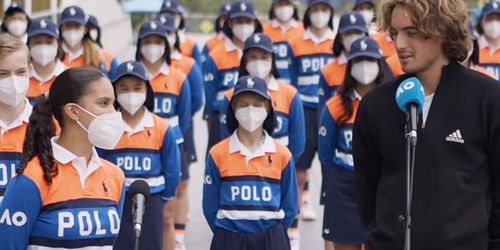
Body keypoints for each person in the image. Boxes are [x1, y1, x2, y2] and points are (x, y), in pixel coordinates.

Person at [353, 0, 500, 249]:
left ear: (441, 29)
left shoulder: (487, 99)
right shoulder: (374, 105)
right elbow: (367, 190)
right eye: (395, 33)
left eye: (411, 32)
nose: (399, 45)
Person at [0, 66, 126, 249]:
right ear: (73, 111)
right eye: (104, 103)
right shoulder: (31, 179)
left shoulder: (116, 177)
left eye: (114, 104)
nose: (114, 114)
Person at [203, 75, 299, 250]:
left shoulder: (282, 154)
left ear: (268, 108)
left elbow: (290, 206)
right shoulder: (217, 153)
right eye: (243, 104)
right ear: (233, 108)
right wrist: (226, 232)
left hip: (271, 238)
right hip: (229, 237)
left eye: (257, 104)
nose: (250, 110)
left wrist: (272, 235)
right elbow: (210, 207)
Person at [97, 61, 181, 250]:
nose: (131, 93)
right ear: (114, 92)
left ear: (147, 90)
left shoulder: (161, 127)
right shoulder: (107, 127)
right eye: (123, 88)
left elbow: (172, 169)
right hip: (116, 202)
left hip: (152, 201)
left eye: (137, 87)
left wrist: (166, 199)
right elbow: (98, 164)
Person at [319, 37, 389, 250]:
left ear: (380, 64)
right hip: (344, 187)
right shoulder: (336, 106)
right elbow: (326, 154)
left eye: (370, 60)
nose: (365, 66)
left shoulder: (391, 102)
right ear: (350, 66)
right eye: (359, 60)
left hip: (380, 186)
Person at [288, 0, 335, 241]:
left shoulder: (336, 41)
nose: (319, 15)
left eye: (324, 10)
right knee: (299, 168)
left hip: (330, 111)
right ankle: (293, 222)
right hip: (305, 109)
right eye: (315, 10)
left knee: (331, 169)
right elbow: (292, 79)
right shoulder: (296, 42)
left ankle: (331, 228)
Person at [157, 13, 204, 250]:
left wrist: (177, 129)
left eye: (167, 34)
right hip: (148, 140)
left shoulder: (185, 65)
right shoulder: (137, 74)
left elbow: (194, 101)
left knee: (181, 183)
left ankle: (178, 233)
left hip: (177, 135)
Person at [203, 0, 263, 154]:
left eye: (248, 21)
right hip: (222, 119)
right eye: (239, 21)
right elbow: (210, 97)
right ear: (230, 23)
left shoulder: (262, 55)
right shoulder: (215, 56)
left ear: (255, 23)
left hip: (255, 119)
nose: (244, 26)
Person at [0, 33, 31, 204]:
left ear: (30, 70)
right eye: (3, 74)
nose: (13, 81)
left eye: (20, 72)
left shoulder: (52, 126)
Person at [319, 11, 368, 107]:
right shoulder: (327, 71)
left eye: (357, 32)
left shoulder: (376, 66)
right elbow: (323, 109)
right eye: (348, 33)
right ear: (340, 37)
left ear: (365, 35)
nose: (353, 37)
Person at [263, 0, 304, 83]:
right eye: (280, 4)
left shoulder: (304, 29)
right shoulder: (264, 31)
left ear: (294, 6)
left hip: (297, 84)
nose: (284, 8)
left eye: (287, 4)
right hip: (272, 84)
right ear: (274, 6)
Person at [27, 18, 66, 103]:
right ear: (28, 45)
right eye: (37, 42)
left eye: (49, 42)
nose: (43, 48)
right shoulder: (20, 77)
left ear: (58, 44)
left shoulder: (68, 76)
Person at [59, 5, 106, 73]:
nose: (72, 30)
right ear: (61, 28)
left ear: (85, 29)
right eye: (68, 25)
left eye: (77, 26)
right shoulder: (54, 55)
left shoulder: (97, 55)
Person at [160, 0, 202, 68]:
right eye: (166, 15)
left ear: (180, 17)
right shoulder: (154, 43)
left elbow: (199, 69)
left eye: (173, 15)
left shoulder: (191, 44)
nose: (169, 19)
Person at [86, 14, 120, 79]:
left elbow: (115, 80)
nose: (89, 32)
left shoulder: (107, 56)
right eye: (87, 29)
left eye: (93, 28)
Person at [475, 1, 500, 81]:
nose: (494, 23)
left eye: (498, 19)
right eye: (489, 19)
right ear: (481, 22)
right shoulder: (472, 48)